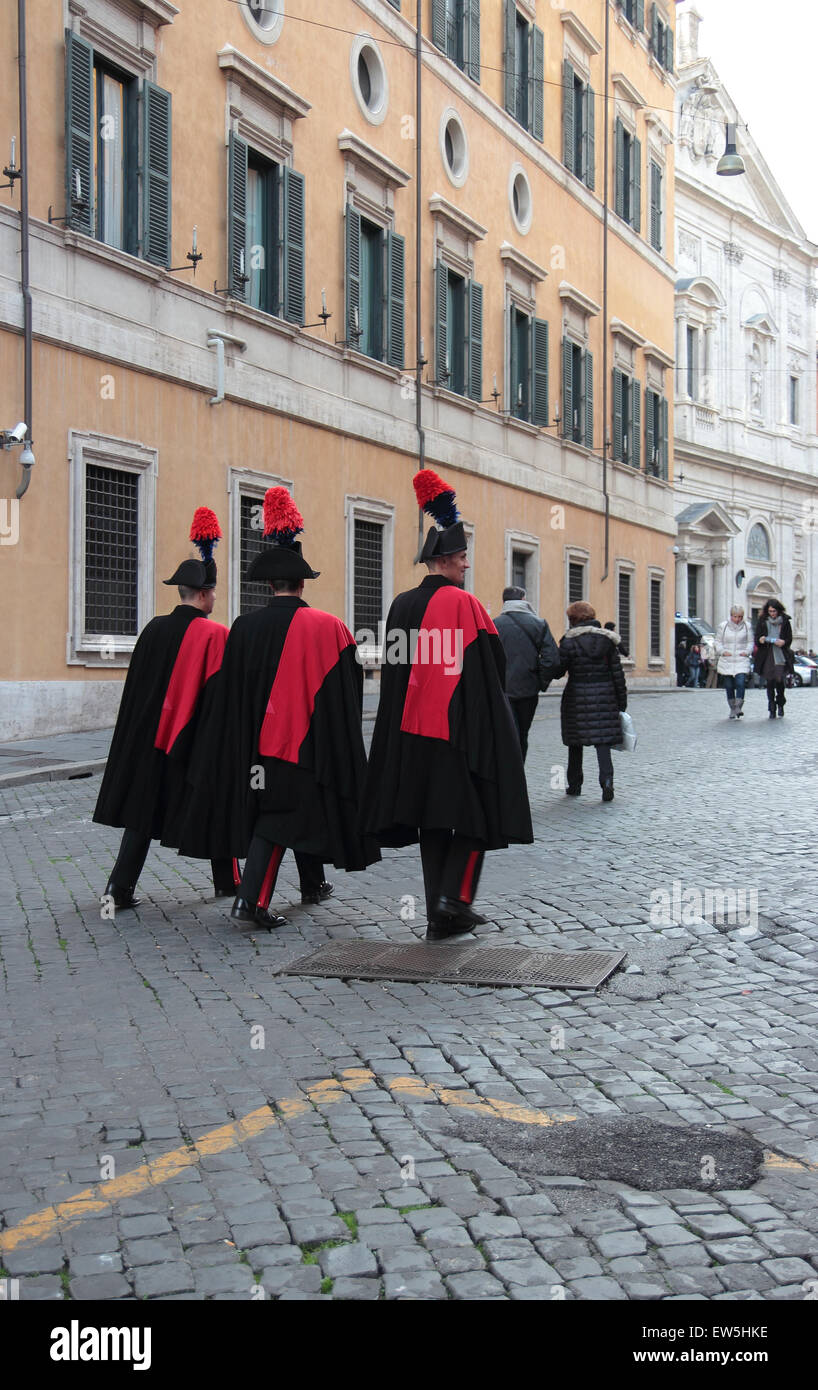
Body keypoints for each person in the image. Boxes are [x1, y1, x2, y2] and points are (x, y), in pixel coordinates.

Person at [179, 488, 377, 929]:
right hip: (307, 743)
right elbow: (350, 692)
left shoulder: (243, 628)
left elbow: (229, 692)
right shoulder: (332, 627)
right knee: (284, 813)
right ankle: (251, 901)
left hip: (256, 749)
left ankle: (311, 884)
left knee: (288, 808)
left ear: (270, 584)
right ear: (302, 584)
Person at [361, 468, 532, 941]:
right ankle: (453, 898)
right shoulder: (465, 605)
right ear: (445, 560)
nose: (467, 566)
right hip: (455, 735)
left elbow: (396, 670)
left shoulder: (399, 605)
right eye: (462, 558)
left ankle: (440, 913)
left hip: (409, 735)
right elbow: (489, 673)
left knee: (433, 821)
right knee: (479, 813)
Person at [93, 508, 232, 908]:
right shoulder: (215, 634)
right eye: (214, 593)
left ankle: (119, 889)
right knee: (214, 805)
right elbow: (219, 694)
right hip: (192, 737)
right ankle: (227, 882)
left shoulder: (152, 627)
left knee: (142, 812)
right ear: (204, 595)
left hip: (147, 735)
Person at [557, 601, 627, 802]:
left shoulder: (569, 642)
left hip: (576, 694)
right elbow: (617, 674)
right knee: (602, 742)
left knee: (575, 743)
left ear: (573, 619)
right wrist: (621, 702)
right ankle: (607, 782)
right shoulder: (608, 641)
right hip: (605, 695)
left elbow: (559, 669)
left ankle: (575, 784)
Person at [494, 586, 559, 762]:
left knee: (506, 735)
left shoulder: (494, 624)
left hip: (501, 690)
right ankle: (518, 774)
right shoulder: (539, 624)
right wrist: (540, 682)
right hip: (528, 690)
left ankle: (506, 775)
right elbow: (552, 659)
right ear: (523, 600)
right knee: (522, 734)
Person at [754, 598, 794, 718]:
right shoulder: (762, 621)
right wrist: (761, 640)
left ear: (778, 610)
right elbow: (757, 639)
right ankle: (772, 708)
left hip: (780, 654)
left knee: (780, 681)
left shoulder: (785, 621)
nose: (772, 613)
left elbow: (789, 639)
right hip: (767, 655)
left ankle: (780, 702)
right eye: (770, 611)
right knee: (770, 682)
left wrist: (784, 642)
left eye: (774, 611)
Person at [714, 605, 754, 719]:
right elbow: (717, 641)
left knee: (740, 683)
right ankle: (732, 708)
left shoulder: (747, 626)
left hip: (741, 659)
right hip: (727, 659)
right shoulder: (723, 626)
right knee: (729, 685)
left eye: (740, 617)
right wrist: (722, 651)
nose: (738, 619)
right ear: (731, 616)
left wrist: (747, 652)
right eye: (735, 617)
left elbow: (750, 642)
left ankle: (738, 707)